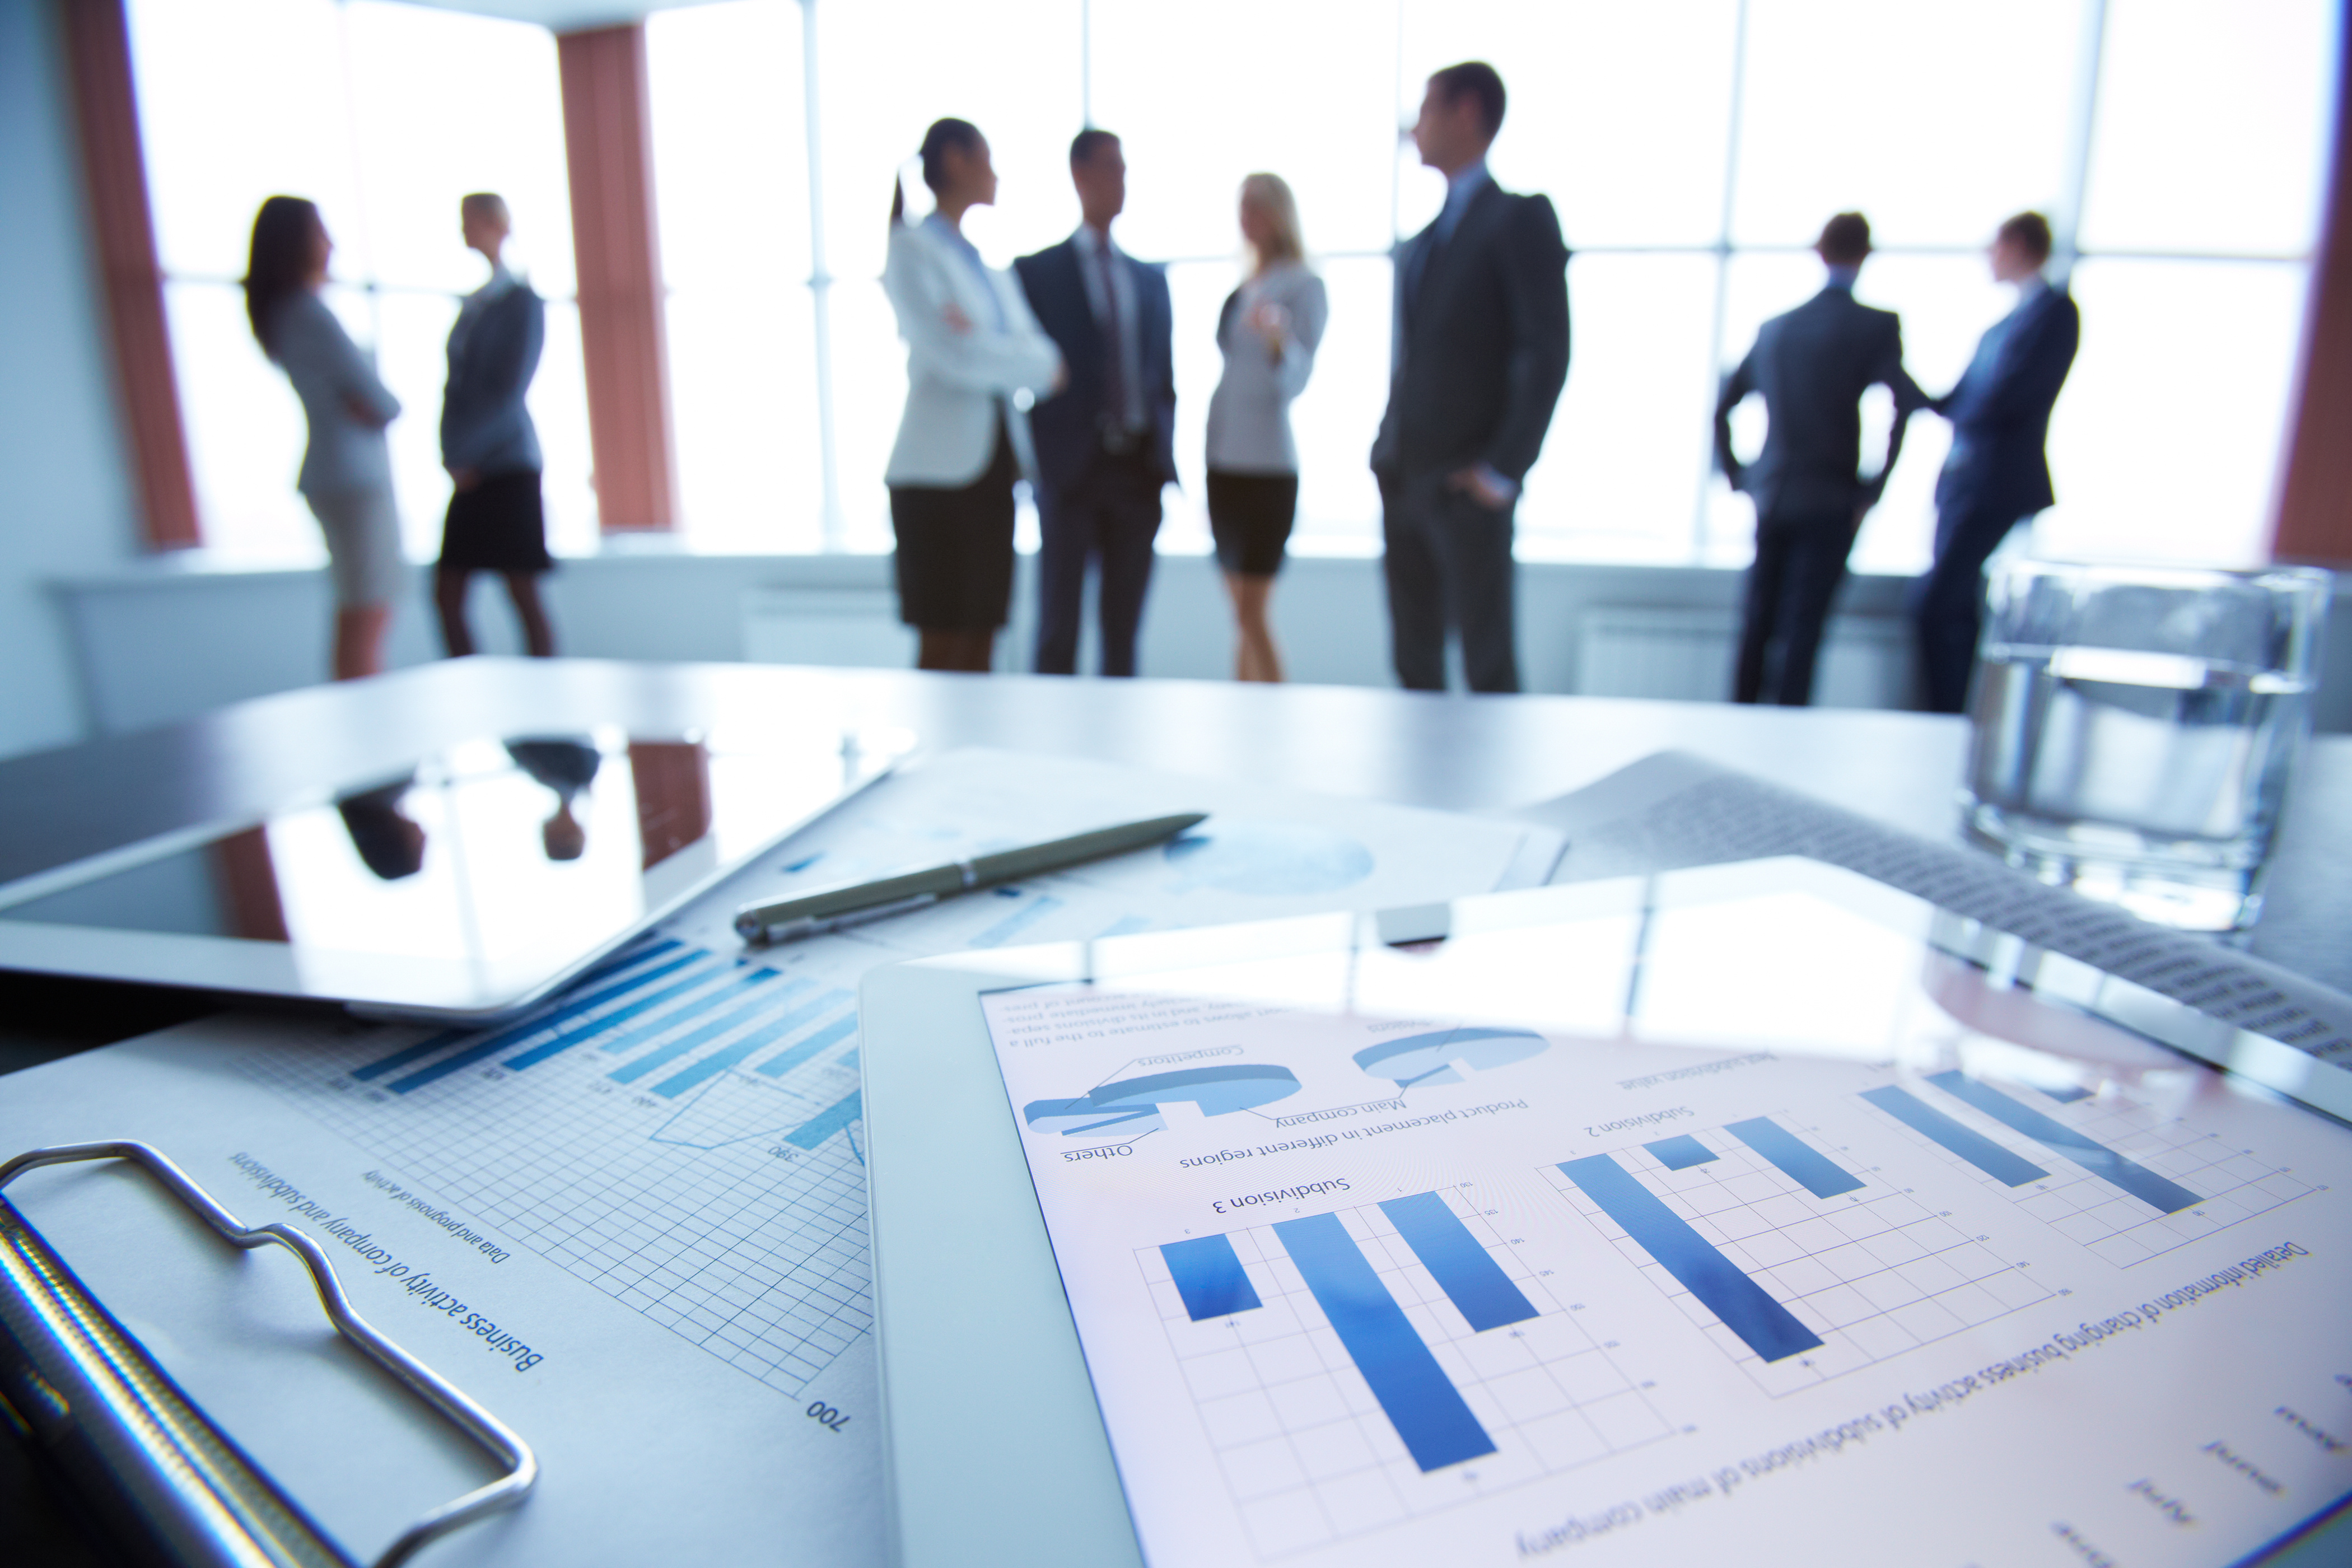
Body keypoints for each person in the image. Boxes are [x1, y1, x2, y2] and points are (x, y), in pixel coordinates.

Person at [1372, 62, 1570, 694]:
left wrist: (1502, 469)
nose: (1415, 127)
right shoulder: (1424, 242)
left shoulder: (1517, 219)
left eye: (1426, 109)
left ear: (1467, 113)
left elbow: (1547, 350)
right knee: (1413, 664)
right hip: (1404, 476)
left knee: (1487, 666)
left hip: (1467, 485)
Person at [1715, 212, 1928, 707]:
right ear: (1865, 254)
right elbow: (1905, 407)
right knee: (1803, 630)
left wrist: (1741, 478)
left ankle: (1739, 727)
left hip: (1773, 494)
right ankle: (1785, 743)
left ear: (1819, 251)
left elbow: (1722, 409)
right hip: (1831, 499)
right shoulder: (1875, 325)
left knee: (1757, 624)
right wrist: (1872, 491)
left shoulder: (1777, 328)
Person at [883, 119, 1065, 672]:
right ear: (957, 162)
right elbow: (952, 356)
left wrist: (985, 345)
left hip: (995, 473)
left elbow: (1050, 363)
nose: (996, 172)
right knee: (944, 644)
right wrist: (1001, 353)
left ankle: (972, 760)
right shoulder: (911, 249)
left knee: (985, 635)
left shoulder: (985, 264)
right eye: (987, 157)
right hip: (935, 479)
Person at [1015, 130, 1178, 678]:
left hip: (1137, 472)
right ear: (1079, 175)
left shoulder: (1150, 280)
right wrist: (1042, 465)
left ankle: (1117, 755)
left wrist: (1163, 458)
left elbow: (1164, 380)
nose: (1121, 180)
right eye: (1110, 167)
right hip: (1071, 474)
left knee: (1123, 637)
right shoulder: (1037, 274)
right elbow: (1026, 371)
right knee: (1058, 631)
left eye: (1125, 168)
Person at [1912, 211, 2080, 713]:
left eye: (1996, 247)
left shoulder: (2055, 313)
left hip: (1999, 485)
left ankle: (1955, 718)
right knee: (1955, 610)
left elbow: (2007, 400)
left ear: (2021, 247)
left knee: (1935, 606)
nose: (1989, 257)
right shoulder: (1998, 328)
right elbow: (1956, 401)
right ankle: (1956, 717)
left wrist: (1967, 410)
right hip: (1962, 484)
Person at [242, 195, 404, 681]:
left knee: (357, 604)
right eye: (320, 233)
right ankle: (367, 728)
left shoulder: (287, 314)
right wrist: (368, 404)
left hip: (333, 472)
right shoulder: (309, 313)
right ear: (296, 244)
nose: (330, 244)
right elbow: (385, 404)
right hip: (352, 475)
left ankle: (359, 721)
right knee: (369, 609)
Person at [1204, 174, 1328, 683]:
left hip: (1268, 468)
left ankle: (1279, 717)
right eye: (1241, 207)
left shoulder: (1304, 285)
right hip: (1224, 461)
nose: (1246, 218)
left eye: (1255, 207)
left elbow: (1296, 381)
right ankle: (1242, 718)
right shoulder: (1244, 288)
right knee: (1240, 614)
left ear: (1279, 213)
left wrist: (1279, 339)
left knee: (1253, 611)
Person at [436, 193, 554, 660]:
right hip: (468, 465)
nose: (463, 230)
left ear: (494, 224)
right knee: (448, 594)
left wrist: (464, 453)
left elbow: (509, 390)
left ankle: (547, 708)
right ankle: (473, 690)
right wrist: (449, 454)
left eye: (470, 220)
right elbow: (456, 387)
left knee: (521, 591)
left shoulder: (520, 301)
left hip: (506, 463)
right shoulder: (476, 303)